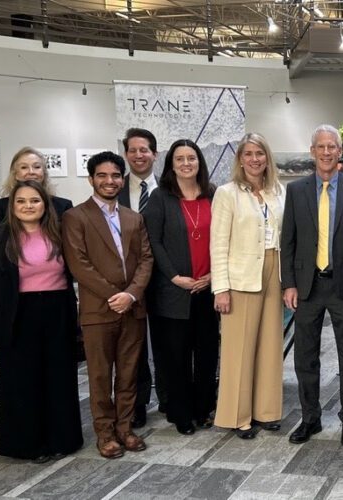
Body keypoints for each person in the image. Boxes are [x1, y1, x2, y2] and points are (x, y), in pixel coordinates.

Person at [0, 180, 83, 463]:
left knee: (59, 377)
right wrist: (6, 301)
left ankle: (62, 439)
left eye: (35, 200)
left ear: (45, 205)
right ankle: (28, 444)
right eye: (21, 201)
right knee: (21, 381)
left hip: (58, 311)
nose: (28, 206)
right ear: (12, 206)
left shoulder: (59, 233)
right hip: (17, 314)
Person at [281, 125, 343, 446]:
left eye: (333, 146)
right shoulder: (296, 191)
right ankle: (310, 418)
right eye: (321, 147)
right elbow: (287, 241)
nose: (327, 152)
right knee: (305, 356)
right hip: (307, 286)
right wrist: (288, 283)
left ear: (339, 151)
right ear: (312, 151)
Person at [62, 151, 154, 459]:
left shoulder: (133, 217)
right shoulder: (76, 217)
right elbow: (79, 264)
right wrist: (113, 295)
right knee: (100, 376)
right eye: (102, 175)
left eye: (115, 175)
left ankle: (125, 428)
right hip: (98, 311)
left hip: (132, 309)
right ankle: (105, 433)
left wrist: (131, 294)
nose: (109, 181)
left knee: (128, 373)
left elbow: (145, 259)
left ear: (122, 179)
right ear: (91, 179)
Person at [211, 132, 285, 439]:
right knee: (238, 349)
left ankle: (266, 411)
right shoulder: (227, 193)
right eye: (249, 154)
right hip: (240, 277)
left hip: (274, 271)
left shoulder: (279, 191)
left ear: (267, 158)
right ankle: (238, 415)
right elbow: (218, 243)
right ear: (240, 159)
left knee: (270, 345)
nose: (255, 159)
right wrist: (221, 288)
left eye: (260, 153)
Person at [143, 140, 217, 436]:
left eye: (191, 158)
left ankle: (204, 408)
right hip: (173, 291)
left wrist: (213, 275)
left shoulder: (214, 194)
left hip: (208, 287)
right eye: (180, 159)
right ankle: (181, 412)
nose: (186, 163)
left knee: (207, 352)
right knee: (176, 354)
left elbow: (225, 236)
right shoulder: (161, 198)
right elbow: (153, 241)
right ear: (171, 164)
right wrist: (174, 276)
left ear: (199, 162)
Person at [119, 128, 163, 428]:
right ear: (126, 154)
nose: (138, 155)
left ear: (154, 154)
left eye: (144, 150)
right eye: (133, 150)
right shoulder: (113, 189)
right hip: (128, 280)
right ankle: (136, 403)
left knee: (164, 343)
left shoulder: (169, 189)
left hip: (164, 279)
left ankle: (170, 396)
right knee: (131, 344)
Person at [0, 147, 73, 227]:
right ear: (15, 174)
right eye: (24, 167)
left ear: (44, 172)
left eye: (37, 167)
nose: (31, 172)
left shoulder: (63, 206)